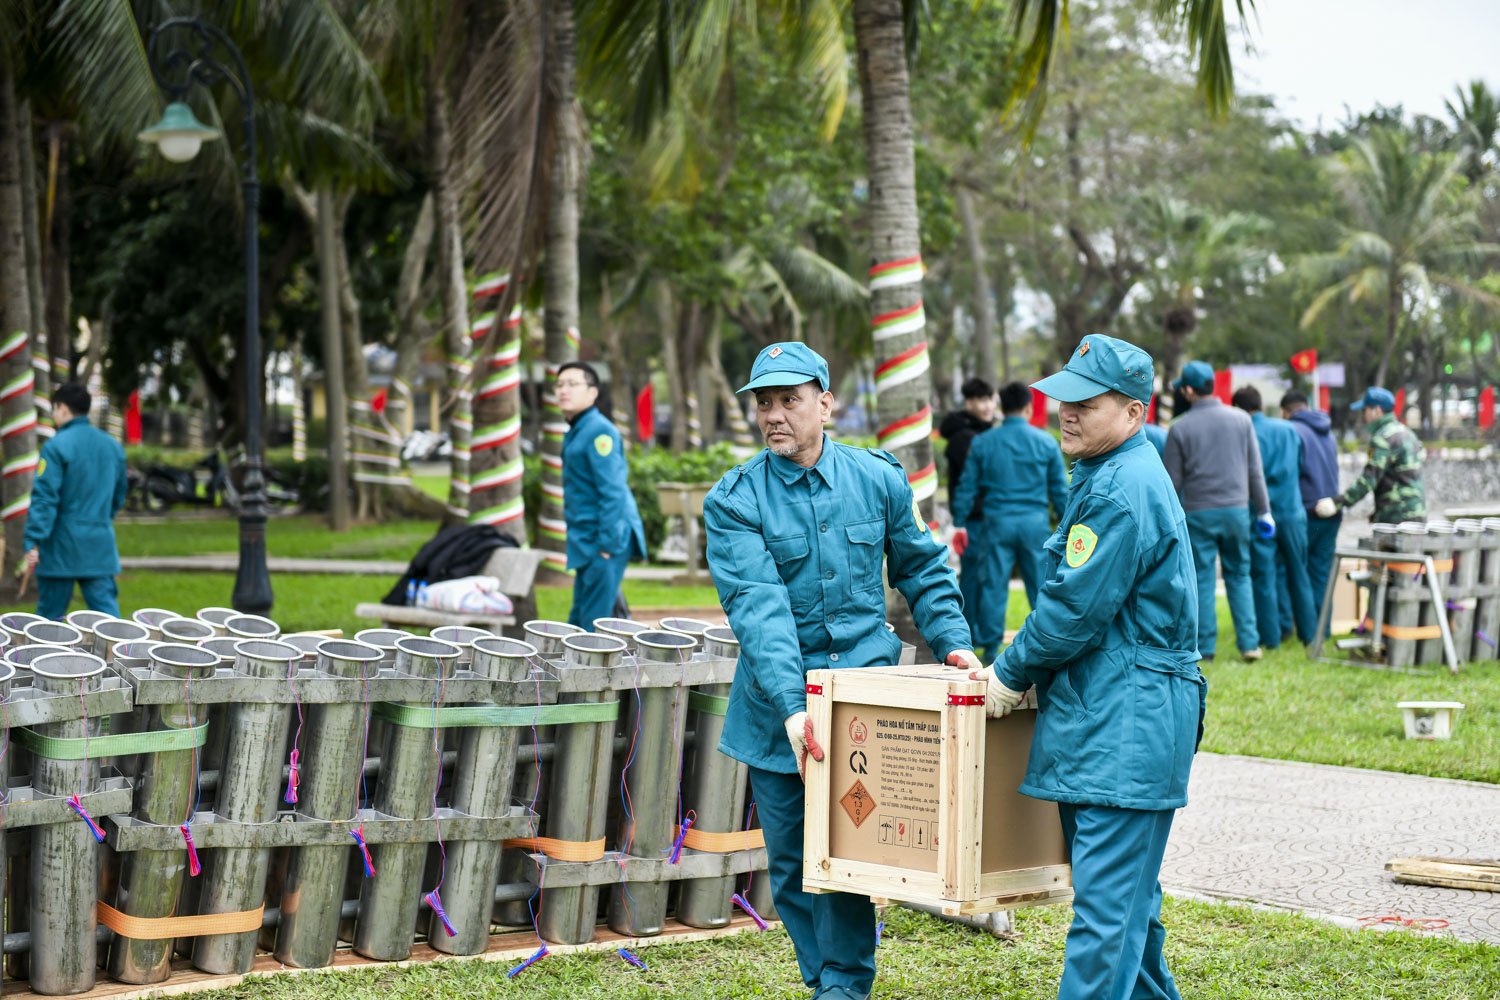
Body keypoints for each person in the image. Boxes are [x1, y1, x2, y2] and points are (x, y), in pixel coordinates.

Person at [703, 342, 979, 1000]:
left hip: (863, 708)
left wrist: (955, 644)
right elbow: (760, 610)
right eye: (763, 403)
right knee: (795, 861)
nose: (775, 415)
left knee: (850, 859)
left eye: (790, 400)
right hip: (781, 713)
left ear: (825, 402)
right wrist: (795, 711)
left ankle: (843, 986)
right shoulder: (735, 500)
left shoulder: (879, 479)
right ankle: (824, 979)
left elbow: (921, 566)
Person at [971, 334, 1204, 1000]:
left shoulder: (1119, 489)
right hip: (1113, 717)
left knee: (1107, 921)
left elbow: (1072, 610)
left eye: (1085, 401)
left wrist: (1007, 673)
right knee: (1128, 907)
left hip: (1123, 725)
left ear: (1134, 413)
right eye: (1061, 398)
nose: (1064, 412)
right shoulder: (1112, 474)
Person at [950, 381, 1069, 658]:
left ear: (1002, 408)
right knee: (1040, 584)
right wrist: (1066, 525)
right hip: (1034, 524)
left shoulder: (983, 442)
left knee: (993, 585)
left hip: (997, 523)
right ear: (1028, 408)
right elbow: (1060, 491)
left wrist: (959, 522)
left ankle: (991, 648)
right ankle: (1046, 643)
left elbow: (967, 486)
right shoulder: (1046, 442)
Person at [1162, 361, 1269, 661]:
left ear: (1188, 390)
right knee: (1239, 574)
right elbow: (1254, 471)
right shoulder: (1241, 420)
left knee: (1204, 579)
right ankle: (1249, 644)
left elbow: (1172, 483)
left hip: (1198, 514)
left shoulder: (1179, 427)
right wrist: (1264, 511)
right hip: (1236, 511)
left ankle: (1205, 648)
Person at [23, 381, 128, 619]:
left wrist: (33, 540)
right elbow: (119, 493)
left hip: (60, 546)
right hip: (99, 544)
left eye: (54, 408)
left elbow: (45, 498)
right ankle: (121, 657)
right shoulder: (112, 447)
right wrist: (100, 519)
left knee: (48, 625)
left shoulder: (55, 446)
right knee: (109, 623)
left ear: (62, 408)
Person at [555, 361, 646, 628]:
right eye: (559, 385)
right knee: (579, 619)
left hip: (603, 540)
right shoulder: (577, 430)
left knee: (591, 626)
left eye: (572, 384)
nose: (563, 391)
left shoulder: (599, 432)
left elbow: (613, 491)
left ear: (593, 392)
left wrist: (607, 546)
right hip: (586, 540)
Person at [1232, 387, 1318, 647]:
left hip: (1261, 514)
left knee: (1264, 576)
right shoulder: (1288, 429)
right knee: (1298, 573)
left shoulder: (1244, 432)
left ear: (1238, 409)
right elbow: (1301, 465)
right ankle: (1310, 635)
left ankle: (1270, 639)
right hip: (1292, 511)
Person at [1314, 386, 1426, 525]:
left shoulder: (1383, 438)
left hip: (1397, 518)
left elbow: (1369, 479)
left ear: (1377, 411)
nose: (1363, 415)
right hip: (1417, 514)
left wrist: (1337, 503)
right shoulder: (1408, 434)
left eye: (1365, 410)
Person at [939, 378, 995, 636]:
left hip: (983, 516)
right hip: (974, 518)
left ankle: (979, 629)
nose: (987, 406)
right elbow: (983, 476)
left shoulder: (982, 431)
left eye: (989, 399)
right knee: (974, 577)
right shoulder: (964, 438)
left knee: (983, 577)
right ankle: (970, 630)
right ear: (969, 403)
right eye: (980, 400)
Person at [1281, 390, 1342, 617]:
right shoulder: (1329, 431)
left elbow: (1290, 474)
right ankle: (1322, 631)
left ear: (1284, 412)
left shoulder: (1293, 431)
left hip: (1307, 511)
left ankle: (1304, 629)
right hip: (1332, 509)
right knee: (1322, 574)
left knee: (1298, 573)